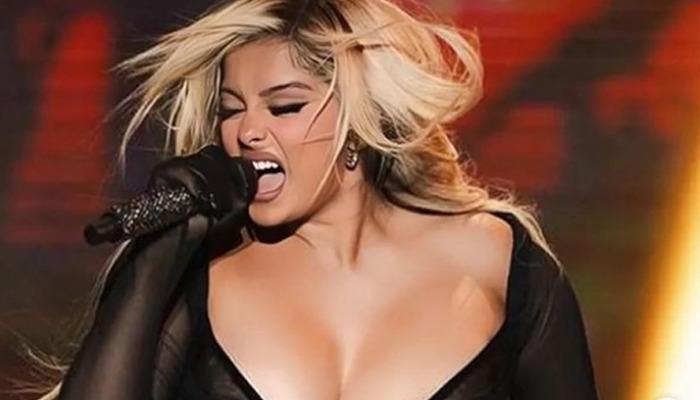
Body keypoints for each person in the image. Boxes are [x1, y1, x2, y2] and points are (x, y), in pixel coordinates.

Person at [37, 0, 599, 399]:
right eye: (231, 110)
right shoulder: (197, 272)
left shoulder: (499, 261)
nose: (247, 132)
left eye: (284, 107)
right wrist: (156, 256)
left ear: (357, 122)